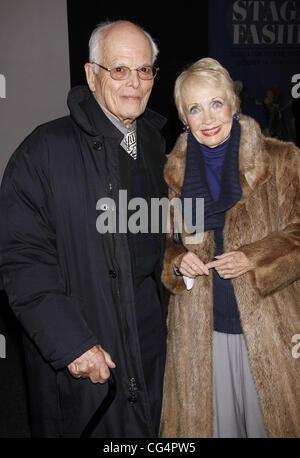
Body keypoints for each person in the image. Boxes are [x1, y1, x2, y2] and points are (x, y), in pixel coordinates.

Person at [0, 20, 167, 438]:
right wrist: (70, 341)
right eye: (120, 69)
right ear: (92, 76)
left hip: (148, 339)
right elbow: (23, 259)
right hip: (89, 346)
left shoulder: (155, 146)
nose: (135, 82)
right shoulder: (43, 151)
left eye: (144, 70)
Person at [159, 58, 300, 438]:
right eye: (194, 108)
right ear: (183, 119)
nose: (207, 118)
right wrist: (177, 261)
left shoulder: (281, 159)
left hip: (270, 329)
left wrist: (254, 258)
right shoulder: (174, 174)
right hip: (201, 335)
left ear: (233, 104)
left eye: (215, 103)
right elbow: (165, 243)